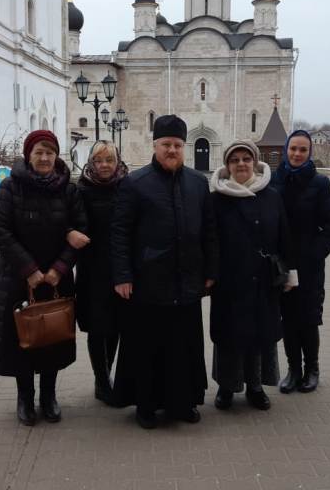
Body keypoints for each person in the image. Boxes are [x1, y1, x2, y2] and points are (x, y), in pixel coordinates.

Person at [110, 115, 218, 429]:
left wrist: (211, 269)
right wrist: (122, 275)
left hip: (187, 281)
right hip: (148, 282)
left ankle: (182, 404)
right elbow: (120, 233)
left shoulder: (198, 183)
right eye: (166, 144)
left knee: (184, 346)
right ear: (155, 145)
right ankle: (146, 405)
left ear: (184, 147)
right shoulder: (135, 183)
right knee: (148, 347)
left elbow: (210, 231)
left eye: (177, 145)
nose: (172, 150)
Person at [0, 130, 88, 425]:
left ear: (56, 156)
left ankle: (49, 397)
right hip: (17, 277)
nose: (44, 158)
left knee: (52, 337)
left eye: (50, 153)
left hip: (56, 277)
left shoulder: (68, 190)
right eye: (39, 152)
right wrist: (29, 270)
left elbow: (80, 230)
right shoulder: (10, 187)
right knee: (22, 339)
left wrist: (59, 269)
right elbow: (1, 232)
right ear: (28, 155)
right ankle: (25, 398)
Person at [209, 139, 292, 411]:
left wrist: (289, 274)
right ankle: (226, 386)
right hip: (229, 281)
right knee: (229, 335)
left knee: (260, 334)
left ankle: (256, 386)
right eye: (235, 160)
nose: (241, 164)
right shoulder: (217, 198)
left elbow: (283, 236)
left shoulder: (272, 195)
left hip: (263, 279)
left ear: (255, 162)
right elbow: (209, 240)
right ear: (227, 165)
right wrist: (210, 274)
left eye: (246, 159)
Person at [271, 129, 330, 394]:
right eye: (293, 149)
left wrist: (315, 254)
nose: (297, 154)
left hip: (309, 266)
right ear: (286, 150)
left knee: (309, 319)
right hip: (283, 265)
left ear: (309, 152)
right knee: (288, 319)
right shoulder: (274, 181)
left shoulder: (320, 183)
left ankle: (312, 369)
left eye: (302, 149)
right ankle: (293, 371)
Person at [74, 140, 128, 406]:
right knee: (97, 327)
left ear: (117, 162)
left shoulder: (127, 187)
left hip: (120, 269)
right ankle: (101, 380)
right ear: (91, 163)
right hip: (92, 268)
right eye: (98, 160)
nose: (104, 165)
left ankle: (108, 372)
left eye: (109, 160)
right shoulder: (81, 189)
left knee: (116, 325)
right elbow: (71, 222)